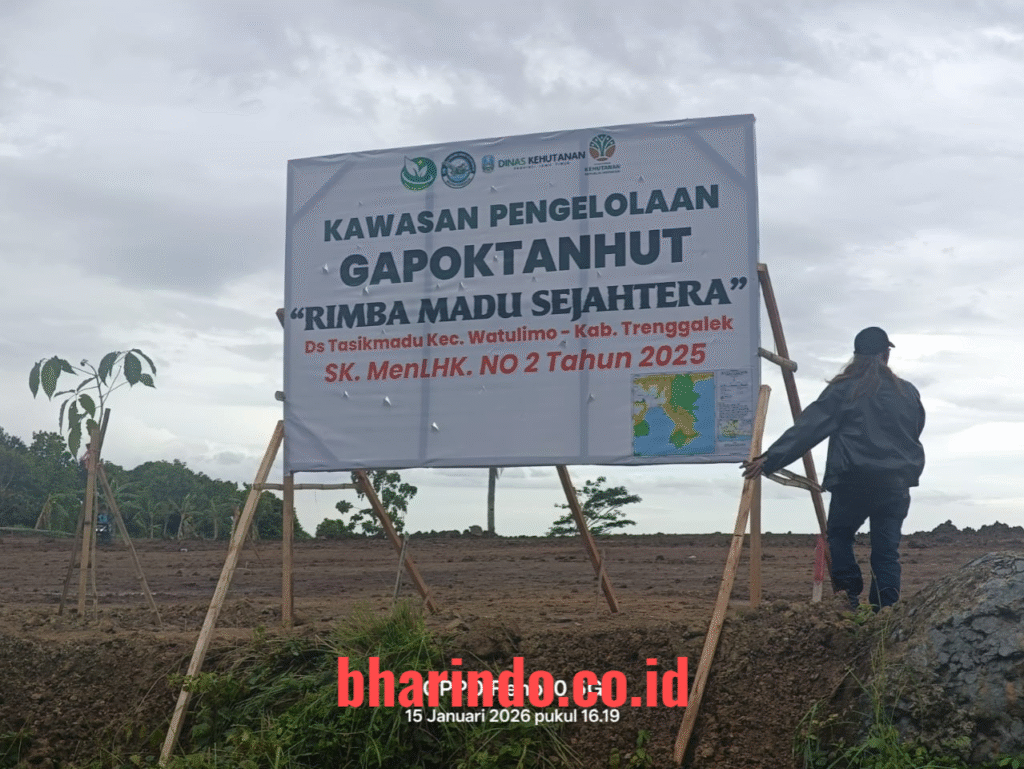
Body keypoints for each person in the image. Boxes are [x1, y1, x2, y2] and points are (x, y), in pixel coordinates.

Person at [741, 327, 925, 611]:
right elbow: (915, 431)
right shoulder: (908, 393)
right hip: (895, 483)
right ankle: (886, 612)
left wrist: (770, 459)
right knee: (886, 551)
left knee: (839, 537)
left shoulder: (844, 389)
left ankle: (848, 600)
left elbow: (809, 428)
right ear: (886, 354)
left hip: (853, 481)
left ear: (855, 356)